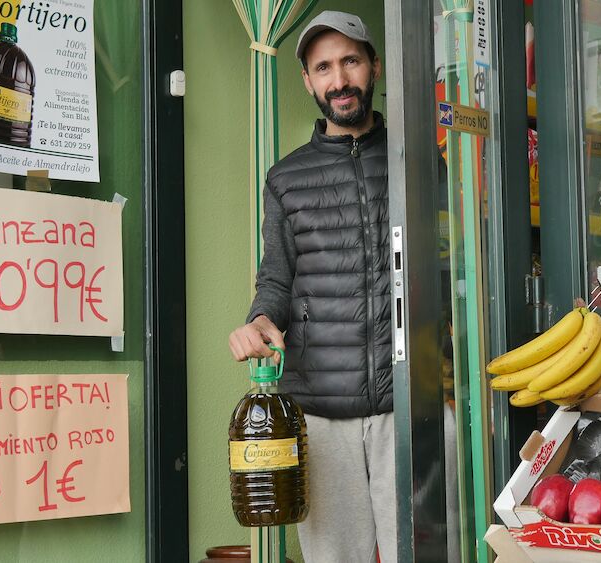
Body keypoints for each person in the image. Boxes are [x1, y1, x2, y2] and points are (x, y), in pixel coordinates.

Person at [227, 10, 396, 562]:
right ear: (307, 80)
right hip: (320, 417)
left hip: (409, 405)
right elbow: (276, 277)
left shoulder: (417, 162)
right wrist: (258, 322)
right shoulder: (286, 179)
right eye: (323, 67)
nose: (339, 79)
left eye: (350, 60)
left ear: (373, 66)